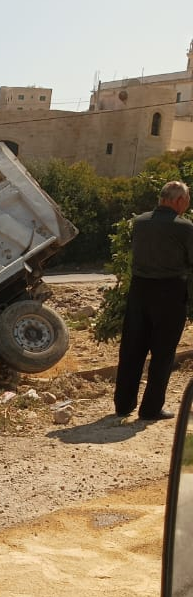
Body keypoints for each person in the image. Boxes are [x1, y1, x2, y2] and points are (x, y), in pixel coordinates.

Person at [113, 180, 193, 422]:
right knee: (163, 353)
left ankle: (123, 404)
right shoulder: (185, 227)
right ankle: (150, 409)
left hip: (139, 291)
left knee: (131, 349)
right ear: (178, 200)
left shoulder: (140, 222)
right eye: (187, 200)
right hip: (170, 292)